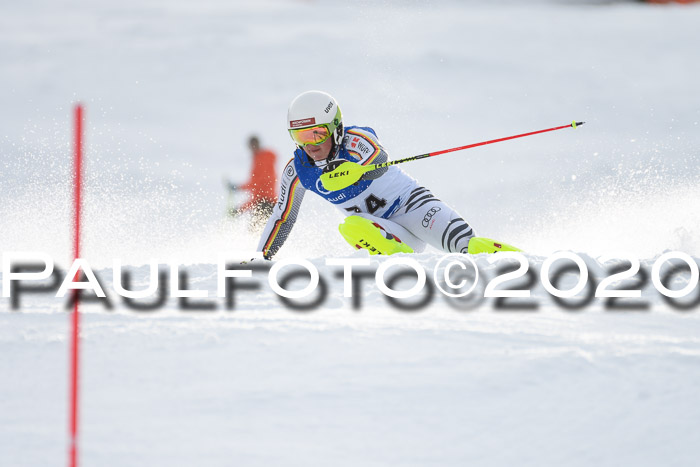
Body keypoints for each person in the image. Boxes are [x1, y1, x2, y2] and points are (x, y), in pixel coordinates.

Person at [256, 90, 518, 259]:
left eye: (318, 134)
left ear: (335, 128)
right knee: (351, 227)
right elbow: (282, 217)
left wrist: (352, 172)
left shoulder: (356, 140)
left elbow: (379, 160)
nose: (310, 145)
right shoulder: (298, 170)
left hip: (415, 208)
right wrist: (260, 257)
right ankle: (403, 262)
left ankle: (525, 264)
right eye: (300, 136)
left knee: (469, 247)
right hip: (384, 231)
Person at [227, 136, 277, 221]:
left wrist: (238, 188)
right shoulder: (258, 159)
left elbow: (257, 184)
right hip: (267, 203)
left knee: (258, 231)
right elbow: (256, 190)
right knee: (263, 231)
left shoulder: (262, 160)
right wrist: (240, 209)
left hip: (265, 204)